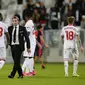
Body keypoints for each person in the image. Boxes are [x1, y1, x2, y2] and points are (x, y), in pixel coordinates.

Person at [22, 11, 36, 76]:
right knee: (29, 57)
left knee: (29, 57)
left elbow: (27, 34)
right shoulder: (31, 22)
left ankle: (31, 71)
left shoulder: (28, 23)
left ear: (25, 16)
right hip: (31, 42)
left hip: (29, 42)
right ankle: (24, 71)